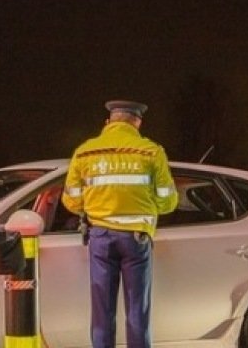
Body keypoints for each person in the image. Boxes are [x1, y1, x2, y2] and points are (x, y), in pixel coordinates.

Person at [61, 100, 178, 348]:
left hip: (100, 236)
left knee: (102, 312)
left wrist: (94, 208)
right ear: (137, 122)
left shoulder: (85, 151)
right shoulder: (151, 151)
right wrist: (145, 209)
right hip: (136, 239)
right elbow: (169, 201)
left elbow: (70, 199)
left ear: (109, 122)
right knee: (138, 310)